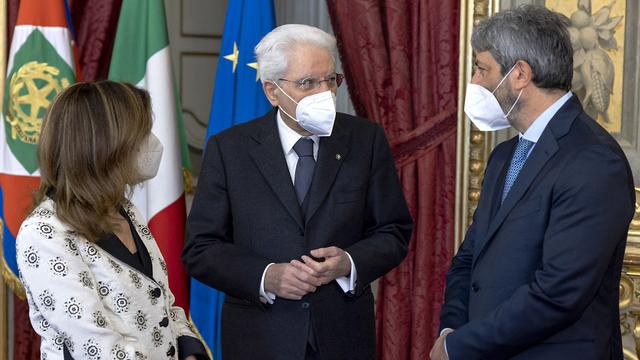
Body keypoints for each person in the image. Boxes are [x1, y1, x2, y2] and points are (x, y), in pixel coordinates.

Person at [182, 24, 413, 359]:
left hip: (342, 337)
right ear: (272, 91)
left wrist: (347, 263)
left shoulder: (365, 140)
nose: (325, 93)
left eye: (331, 80)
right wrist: (267, 277)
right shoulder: (229, 149)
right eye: (308, 83)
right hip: (259, 339)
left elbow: (393, 232)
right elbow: (200, 249)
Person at [430, 5, 635, 360]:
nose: (474, 83)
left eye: (481, 69)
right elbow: (469, 260)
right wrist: (451, 328)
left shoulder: (593, 160)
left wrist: (459, 347)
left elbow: (558, 294)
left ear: (520, 73)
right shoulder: (505, 154)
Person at [16, 81, 208, 360]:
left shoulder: (125, 210)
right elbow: (95, 347)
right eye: (141, 134)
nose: (151, 144)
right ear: (104, 146)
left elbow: (162, 302)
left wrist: (189, 350)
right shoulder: (44, 233)